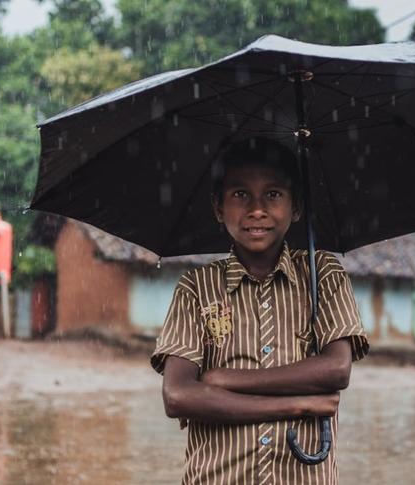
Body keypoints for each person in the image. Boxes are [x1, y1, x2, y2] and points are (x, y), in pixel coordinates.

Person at [151, 136, 369, 485]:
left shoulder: (323, 274)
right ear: (218, 208)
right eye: (240, 194)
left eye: (273, 194)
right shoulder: (196, 287)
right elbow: (178, 396)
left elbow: (336, 369)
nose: (256, 209)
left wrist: (224, 380)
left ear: (296, 206)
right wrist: (296, 405)